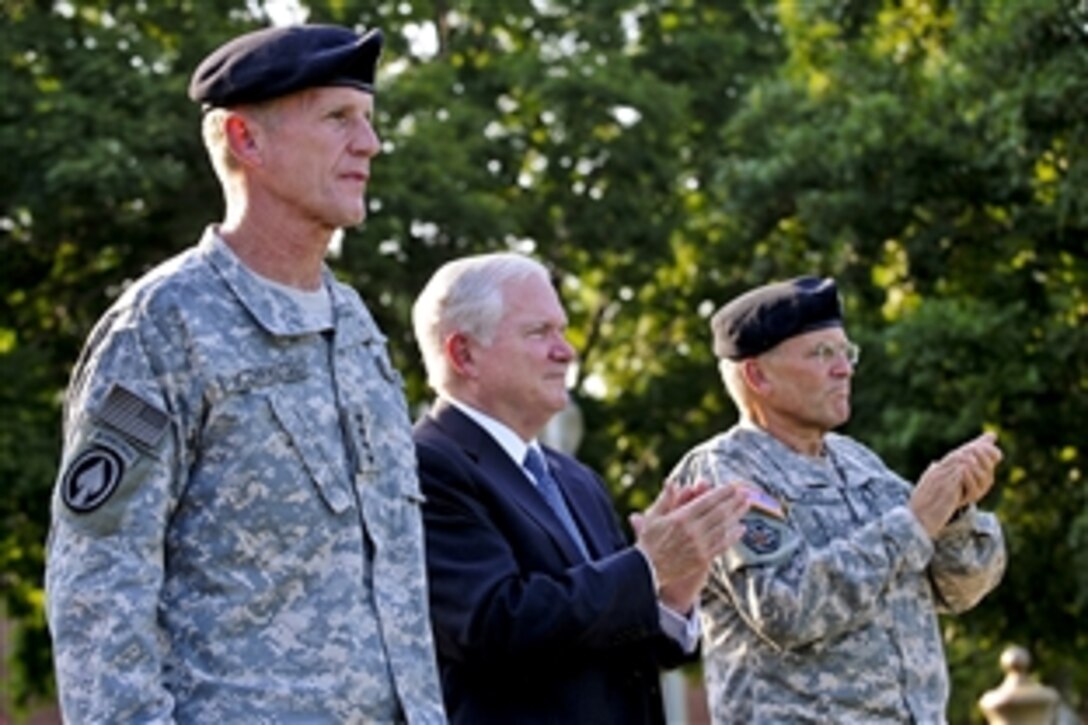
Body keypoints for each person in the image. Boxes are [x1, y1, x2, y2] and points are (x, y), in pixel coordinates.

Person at [44, 24, 445, 723]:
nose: (370, 144)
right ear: (246, 139)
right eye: (338, 118)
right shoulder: (161, 328)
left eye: (370, 122)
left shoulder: (356, 329)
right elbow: (97, 589)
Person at [410, 252, 751, 724]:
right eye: (539, 333)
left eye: (563, 330)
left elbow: (619, 645)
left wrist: (672, 595)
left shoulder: (575, 478)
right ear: (463, 354)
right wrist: (646, 566)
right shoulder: (426, 464)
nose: (566, 351)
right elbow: (493, 624)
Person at [669, 275, 1007, 724]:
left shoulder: (859, 462)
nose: (844, 368)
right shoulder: (723, 473)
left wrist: (956, 511)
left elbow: (960, 589)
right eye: (821, 353)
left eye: (846, 353)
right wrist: (913, 522)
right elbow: (784, 608)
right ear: (757, 375)